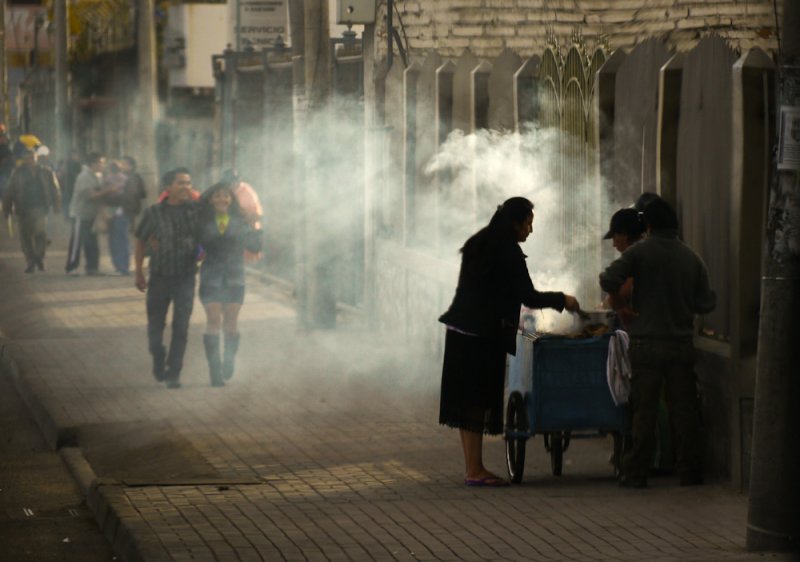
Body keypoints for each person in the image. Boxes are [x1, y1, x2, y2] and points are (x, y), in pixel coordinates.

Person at [438, 197, 581, 487]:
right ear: (514, 222)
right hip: (481, 334)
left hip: (460, 331)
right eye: (528, 223)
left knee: (468, 402)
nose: (530, 230)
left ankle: (472, 467)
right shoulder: (508, 251)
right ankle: (475, 470)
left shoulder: (480, 241)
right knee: (477, 400)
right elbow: (529, 296)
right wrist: (563, 300)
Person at [599, 198, 716, 489]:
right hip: (680, 345)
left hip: (646, 344)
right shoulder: (692, 258)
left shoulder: (640, 253)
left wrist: (621, 308)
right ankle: (690, 471)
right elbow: (707, 302)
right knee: (684, 409)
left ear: (648, 226)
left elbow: (608, 278)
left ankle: (636, 472)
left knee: (644, 410)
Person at [134, 168, 198, 389]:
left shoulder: (195, 211)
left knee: (181, 326)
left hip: (186, 276)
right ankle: (158, 355)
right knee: (155, 326)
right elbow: (141, 240)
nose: (185, 187)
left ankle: (174, 371)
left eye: (188, 183)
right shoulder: (153, 213)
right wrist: (139, 271)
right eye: (180, 183)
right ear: (168, 187)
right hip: (160, 276)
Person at [196, 182, 263, 386]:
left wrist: (256, 227)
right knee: (213, 320)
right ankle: (214, 371)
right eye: (217, 196)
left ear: (231, 200)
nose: (222, 199)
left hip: (234, 275)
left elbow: (253, 247)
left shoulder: (241, 222)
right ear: (210, 200)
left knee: (231, 322)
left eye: (226, 196)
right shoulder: (202, 222)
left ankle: (229, 359)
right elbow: (195, 248)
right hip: (211, 275)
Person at [1, 148, 61, 273]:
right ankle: (30, 261)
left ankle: (39, 258)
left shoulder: (46, 172)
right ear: (23, 160)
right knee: (25, 237)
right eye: (27, 158)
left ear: (36, 158)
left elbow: (55, 189)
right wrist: (7, 209)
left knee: (41, 233)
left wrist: (56, 205)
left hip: (40, 207)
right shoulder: (17, 173)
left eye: (32, 157)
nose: (30, 160)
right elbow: (10, 190)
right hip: (23, 208)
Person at [65, 153, 113, 275]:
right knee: (77, 241)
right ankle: (71, 267)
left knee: (92, 241)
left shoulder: (98, 176)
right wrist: (108, 190)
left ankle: (92, 268)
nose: (103, 165)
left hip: (92, 214)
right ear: (94, 164)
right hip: (80, 214)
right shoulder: (84, 176)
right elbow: (91, 195)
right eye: (101, 163)